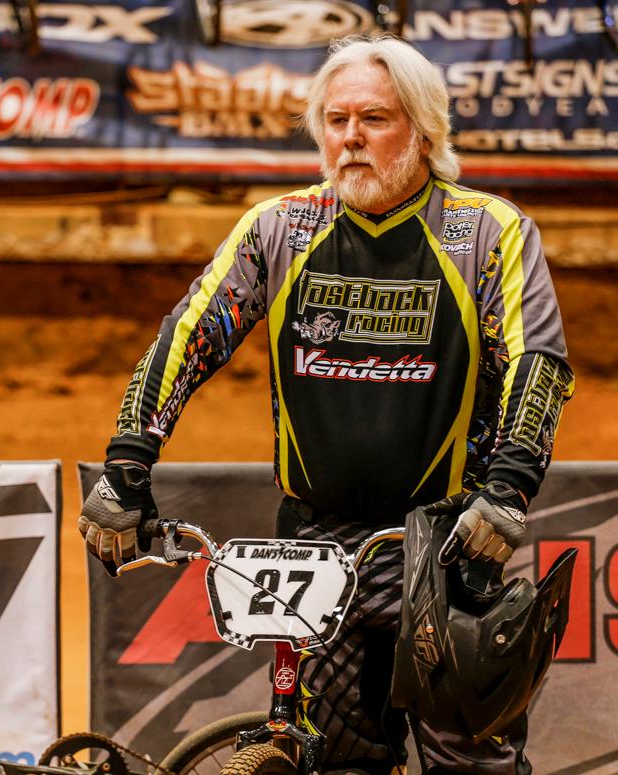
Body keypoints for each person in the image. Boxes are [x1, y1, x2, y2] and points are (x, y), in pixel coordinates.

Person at [78, 34, 574, 775]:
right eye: (335, 120)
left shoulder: (486, 231)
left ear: (424, 130)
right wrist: (127, 464)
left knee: (474, 765)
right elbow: (189, 336)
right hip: (315, 545)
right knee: (333, 761)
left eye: (374, 119)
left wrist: (509, 487)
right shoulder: (280, 227)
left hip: (443, 546)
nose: (350, 138)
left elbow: (538, 363)